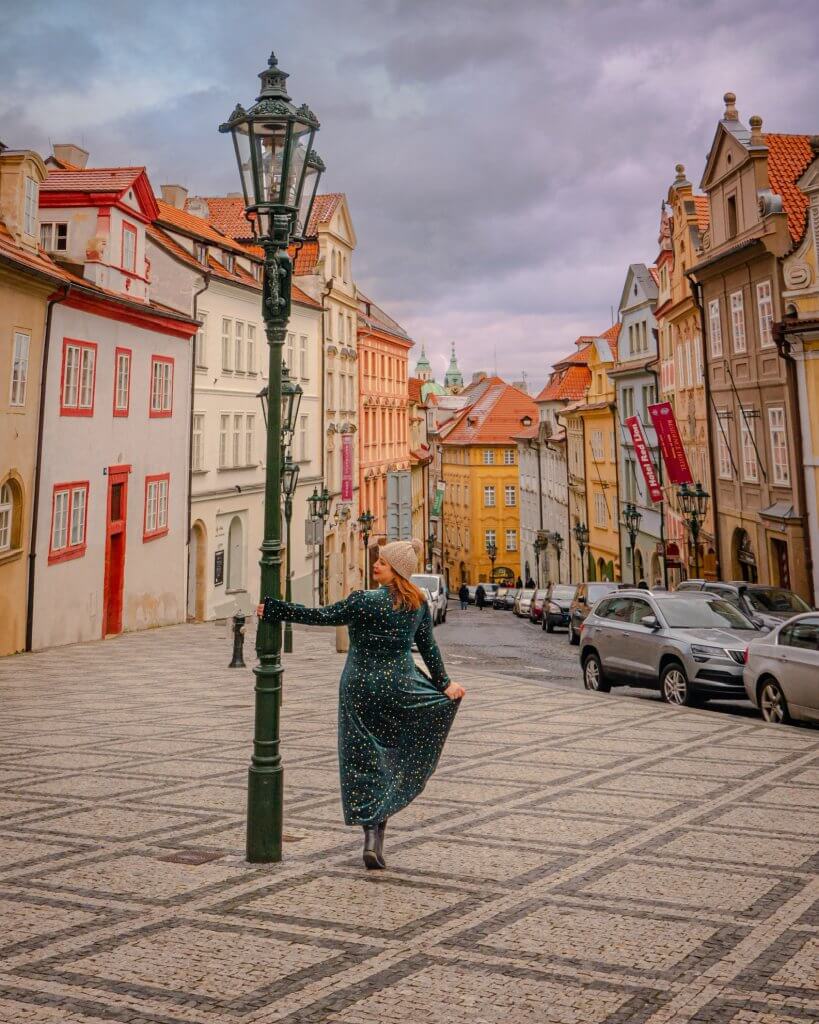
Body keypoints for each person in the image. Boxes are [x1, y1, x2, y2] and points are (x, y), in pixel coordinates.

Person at [257, 538, 464, 871]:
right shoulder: (418, 605)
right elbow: (429, 650)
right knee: (393, 756)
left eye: (381, 562)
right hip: (400, 688)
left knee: (362, 760)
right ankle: (376, 839)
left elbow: (320, 616)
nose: (376, 565)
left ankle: (371, 836)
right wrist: (445, 685)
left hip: (359, 688)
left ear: (396, 569)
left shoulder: (363, 601)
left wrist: (277, 610)